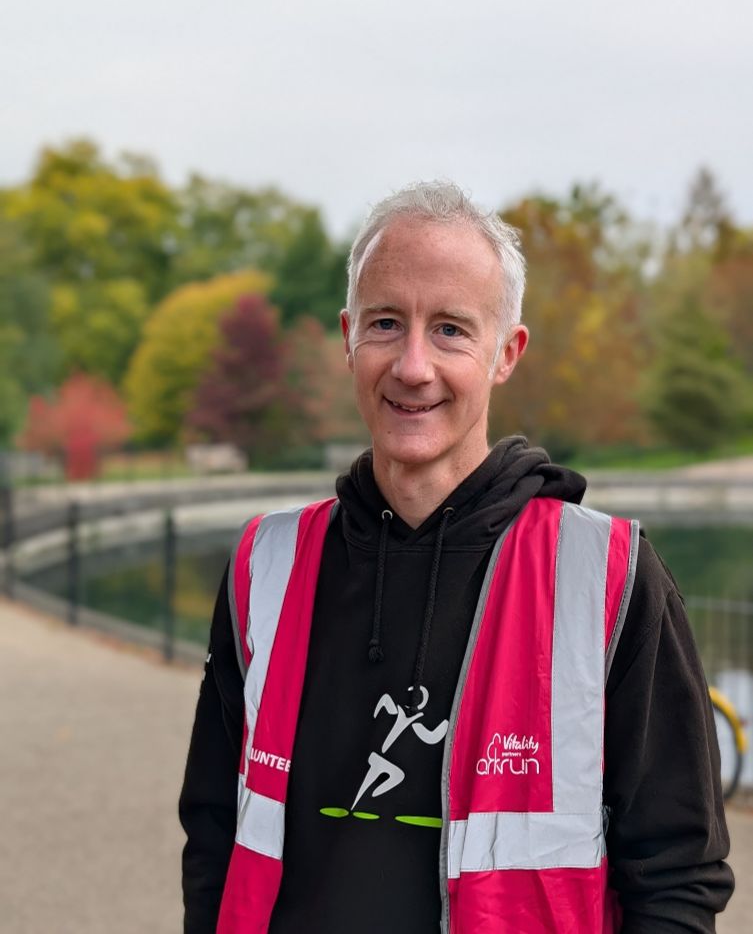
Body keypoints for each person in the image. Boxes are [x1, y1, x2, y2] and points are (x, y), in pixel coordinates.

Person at [180, 181, 734, 933]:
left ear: (506, 353)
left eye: (449, 330)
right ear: (347, 339)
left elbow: (676, 875)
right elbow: (214, 832)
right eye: (385, 323)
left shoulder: (606, 577)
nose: (412, 366)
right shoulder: (262, 567)